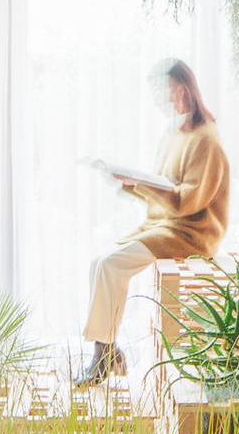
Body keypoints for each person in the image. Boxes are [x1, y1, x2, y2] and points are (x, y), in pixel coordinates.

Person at [80, 59, 231, 385]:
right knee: (99, 262)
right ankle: (107, 350)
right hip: (165, 226)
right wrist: (130, 183)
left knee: (110, 265)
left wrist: (141, 184)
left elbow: (186, 201)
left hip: (192, 232)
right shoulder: (173, 134)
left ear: (181, 91)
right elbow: (162, 189)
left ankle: (103, 355)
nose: (157, 101)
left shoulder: (206, 139)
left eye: (161, 92)